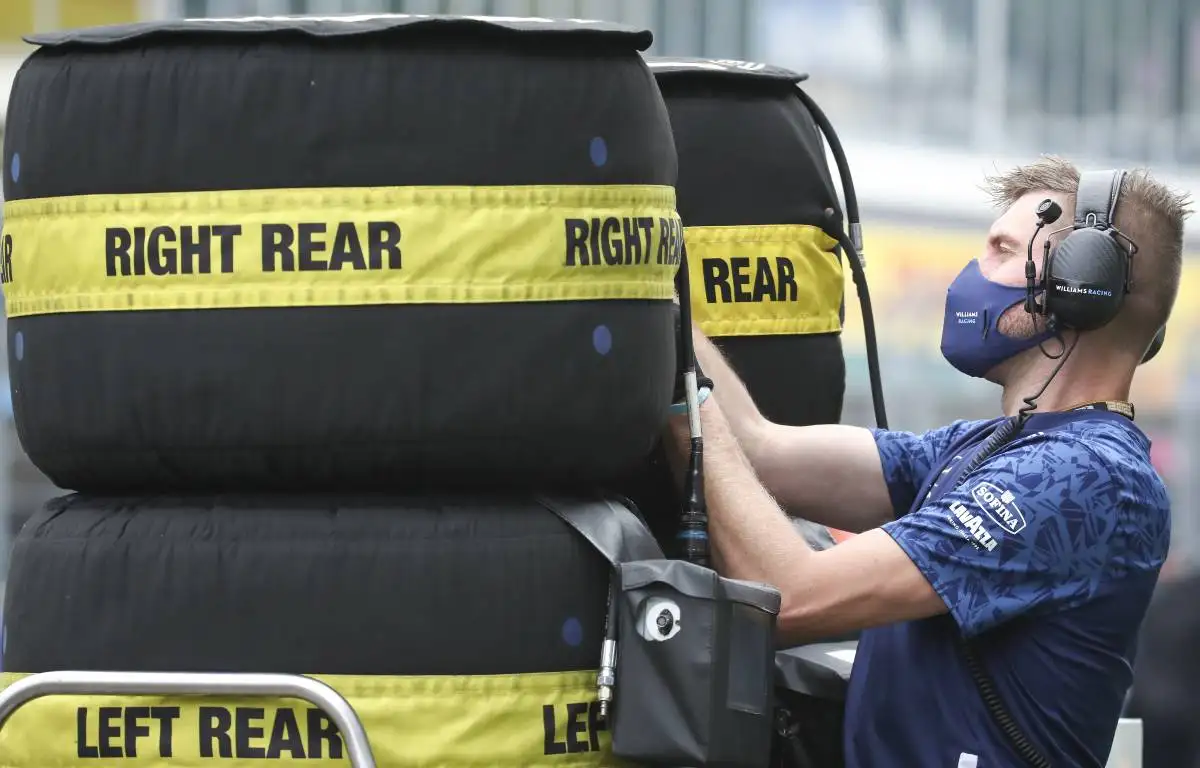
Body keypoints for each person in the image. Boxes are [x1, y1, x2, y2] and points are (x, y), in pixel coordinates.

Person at [664, 157, 1190, 767]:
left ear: (1082, 283)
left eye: (1002, 248)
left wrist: (682, 405)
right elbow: (758, 447)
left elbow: (790, 596)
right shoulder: (992, 448)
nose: (974, 272)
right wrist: (661, 296)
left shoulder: (1086, 477)